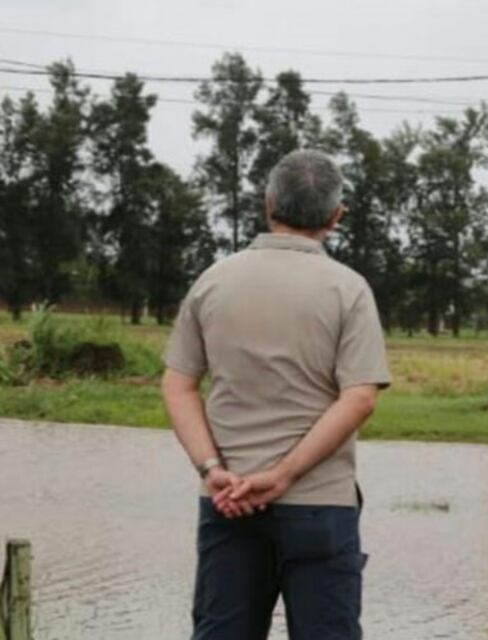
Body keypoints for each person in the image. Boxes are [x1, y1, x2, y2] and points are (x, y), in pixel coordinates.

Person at [161, 149, 390, 640]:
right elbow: (359, 397)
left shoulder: (213, 281)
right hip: (320, 505)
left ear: (268, 204)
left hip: (227, 500)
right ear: (336, 216)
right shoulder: (348, 289)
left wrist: (211, 470)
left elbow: (178, 383)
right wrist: (283, 475)